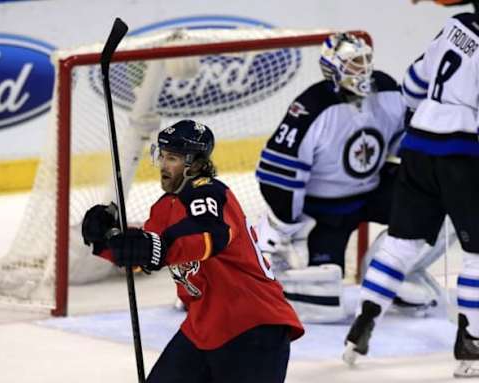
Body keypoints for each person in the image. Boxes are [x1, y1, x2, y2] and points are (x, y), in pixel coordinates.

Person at [81, 119, 304, 383]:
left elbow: (209, 235)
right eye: (161, 156)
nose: (163, 165)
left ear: (196, 164)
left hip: (252, 324)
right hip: (204, 327)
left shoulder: (210, 194)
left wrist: (156, 249)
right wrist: (106, 240)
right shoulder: (164, 208)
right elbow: (143, 259)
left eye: (172, 158)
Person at [255, 32, 442, 323]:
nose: (363, 68)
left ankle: (386, 271)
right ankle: (266, 255)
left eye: (366, 60)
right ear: (333, 68)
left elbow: (405, 142)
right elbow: (278, 174)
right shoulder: (311, 107)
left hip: (372, 192)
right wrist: (287, 223)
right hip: (326, 213)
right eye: (354, 62)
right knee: (325, 303)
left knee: (436, 204)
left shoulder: (388, 90)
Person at [343, 12, 479, 378]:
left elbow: (413, 84)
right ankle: (472, 344)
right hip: (462, 156)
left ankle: (362, 324)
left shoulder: (457, 24)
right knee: (477, 256)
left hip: (418, 147)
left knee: (401, 245)